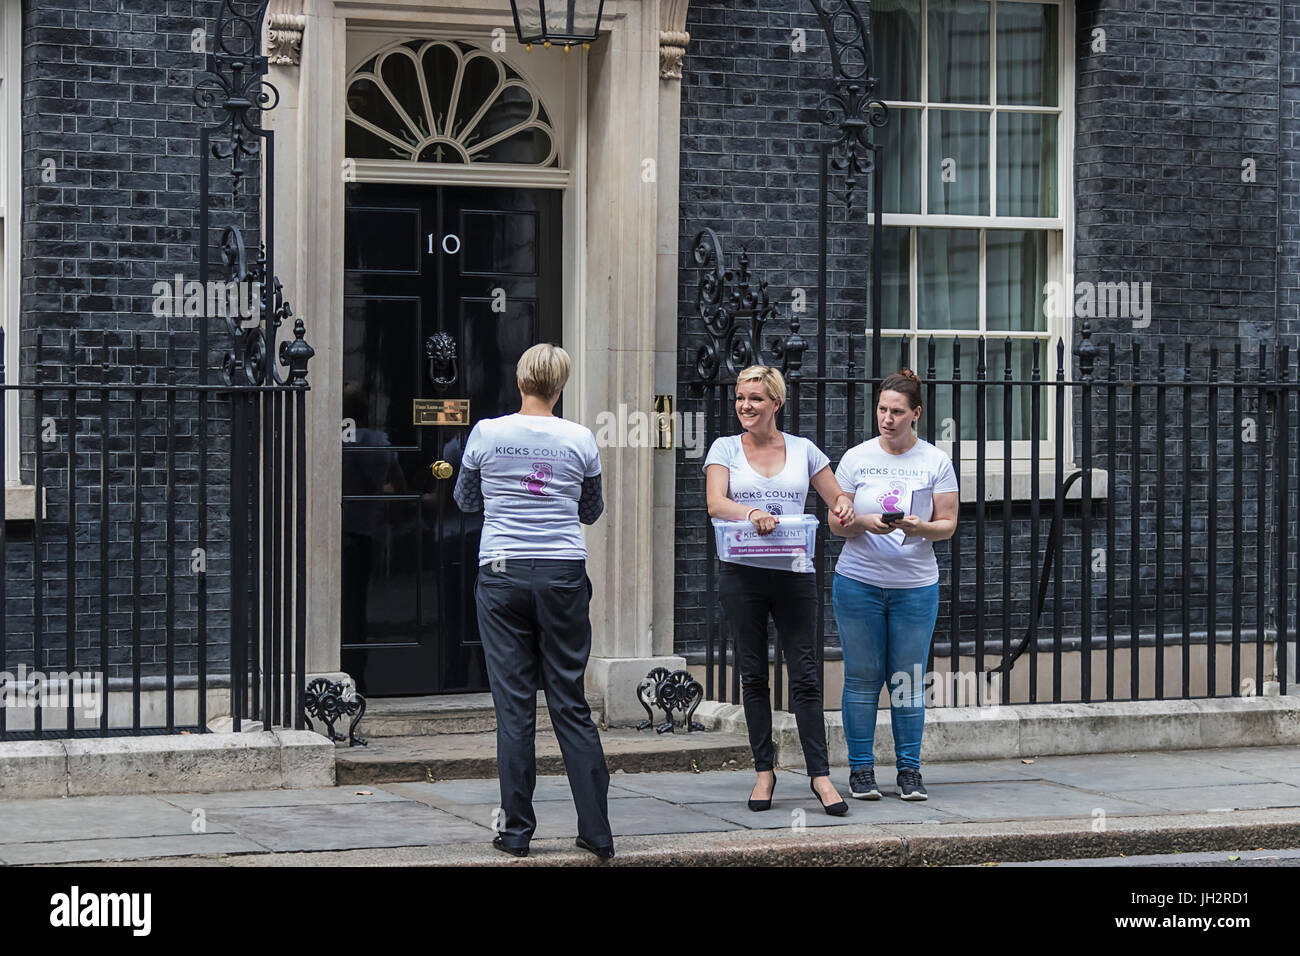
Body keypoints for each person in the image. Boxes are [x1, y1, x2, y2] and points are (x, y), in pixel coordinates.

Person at [453, 343, 614, 860]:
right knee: (570, 702)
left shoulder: (486, 433)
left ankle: (517, 832)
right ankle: (597, 832)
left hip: (501, 574)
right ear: (560, 387)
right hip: (563, 573)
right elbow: (591, 510)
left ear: (520, 381)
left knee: (515, 708)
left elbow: (465, 499)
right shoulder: (579, 439)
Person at [704, 365, 855, 816]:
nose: (745, 406)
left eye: (755, 398)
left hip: (793, 571)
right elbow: (715, 502)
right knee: (753, 674)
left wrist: (845, 505)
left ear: (776, 403)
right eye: (739, 398)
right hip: (742, 573)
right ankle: (764, 771)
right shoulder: (725, 448)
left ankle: (820, 776)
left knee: (805, 675)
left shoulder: (804, 450)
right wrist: (750, 513)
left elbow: (837, 498)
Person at [830, 368, 959, 802]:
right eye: (882, 409)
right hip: (859, 582)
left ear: (916, 414)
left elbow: (949, 524)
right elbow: (836, 520)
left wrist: (921, 527)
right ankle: (861, 771)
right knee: (862, 678)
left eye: (897, 411)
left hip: (915, 586)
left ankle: (909, 771)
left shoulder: (935, 461)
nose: (887, 418)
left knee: (906, 678)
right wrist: (861, 521)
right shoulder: (856, 458)